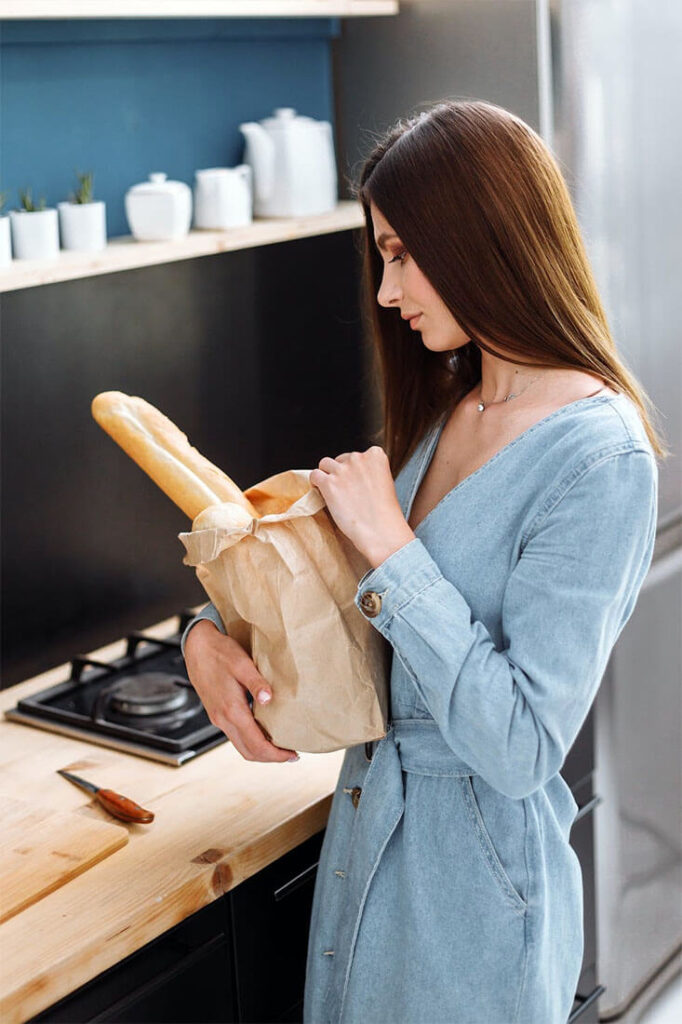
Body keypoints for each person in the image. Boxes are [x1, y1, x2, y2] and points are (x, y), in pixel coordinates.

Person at [182, 99, 669, 1024]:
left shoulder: (600, 459)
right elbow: (333, 584)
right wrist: (208, 638)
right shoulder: (451, 403)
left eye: (402, 254)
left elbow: (523, 746)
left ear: (482, 238)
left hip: (470, 914)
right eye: (382, 256)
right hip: (368, 859)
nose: (385, 291)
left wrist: (394, 549)